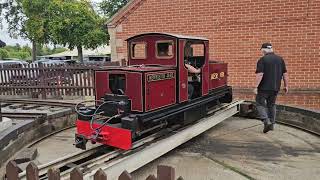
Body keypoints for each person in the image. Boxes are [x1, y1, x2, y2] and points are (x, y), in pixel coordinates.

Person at [254, 42, 288, 133]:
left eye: (261, 50)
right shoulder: (280, 59)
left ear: (264, 49)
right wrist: (286, 85)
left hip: (263, 88)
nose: (262, 52)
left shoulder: (262, 60)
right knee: (271, 105)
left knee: (259, 103)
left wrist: (255, 86)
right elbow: (285, 74)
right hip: (275, 88)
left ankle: (266, 121)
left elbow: (260, 74)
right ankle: (272, 124)